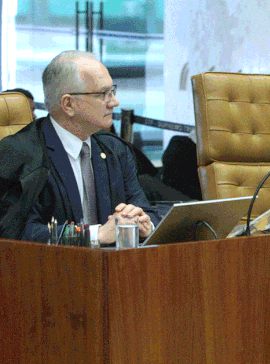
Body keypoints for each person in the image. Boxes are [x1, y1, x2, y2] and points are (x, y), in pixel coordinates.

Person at [0, 50, 160, 243]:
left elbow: (147, 210)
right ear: (68, 104)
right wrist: (95, 235)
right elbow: (18, 232)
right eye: (103, 94)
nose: (115, 102)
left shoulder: (114, 150)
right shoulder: (19, 154)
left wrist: (145, 224)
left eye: (113, 91)